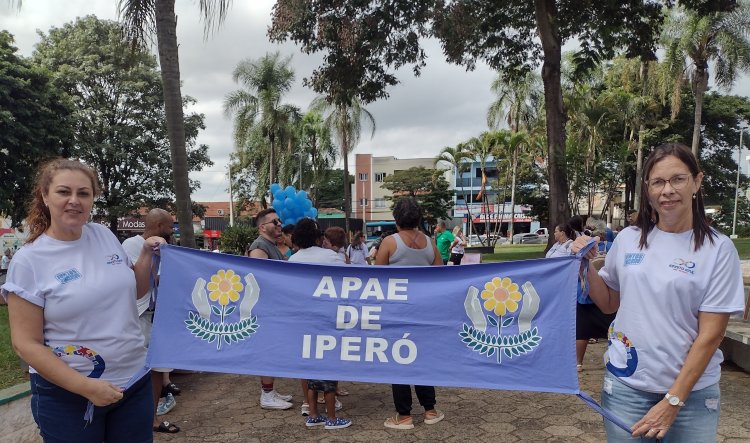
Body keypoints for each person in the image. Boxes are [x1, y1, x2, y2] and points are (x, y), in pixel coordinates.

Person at [572, 143, 744, 442]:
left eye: (678, 179)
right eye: (658, 182)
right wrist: (586, 265)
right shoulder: (628, 239)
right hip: (627, 388)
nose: (668, 190)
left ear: (697, 182)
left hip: (692, 395)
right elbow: (609, 302)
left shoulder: (718, 249)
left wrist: (673, 401)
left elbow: (711, 335)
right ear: (648, 189)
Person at [1, 158, 166, 442]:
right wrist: (87, 387)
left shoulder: (103, 235)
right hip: (68, 397)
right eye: (64, 192)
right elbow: (25, 343)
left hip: (133, 382)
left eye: (83, 193)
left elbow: (134, 291)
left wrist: (148, 255)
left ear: (92, 199)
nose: (74, 201)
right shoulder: (30, 260)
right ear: (45, 195)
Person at [376, 197, 444, 430]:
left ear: (396, 219)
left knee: (399, 360)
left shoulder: (389, 243)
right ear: (418, 218)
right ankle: (430, 410)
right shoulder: (429, 242)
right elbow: (441, 275)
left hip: (396, 312)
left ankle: (404, 415)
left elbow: (377, 280)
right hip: (423, 312)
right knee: (422, 358)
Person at [121, 209, 180, 434]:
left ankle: (153, 419)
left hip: (161, 316)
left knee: (158, 368)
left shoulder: (167, 248)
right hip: (139, 316)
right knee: (139, 369)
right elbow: (138, 280)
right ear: (157, 226)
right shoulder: (131, 245)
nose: (172, 230)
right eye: (169, 226)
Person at [286, 218, 350, 429]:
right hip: (329, 320)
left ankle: (312, 412)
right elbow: (346, 288)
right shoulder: (332, 258)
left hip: (302, 321)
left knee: (307, 365)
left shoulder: (292, 261)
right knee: (329, 366)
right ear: (319, 237)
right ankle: (331, 417)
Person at [246, 208, 293, 410]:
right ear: (262, 227)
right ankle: (266, 394)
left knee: (273, 351)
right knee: (267, 351)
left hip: (274, 309)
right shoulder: (259, 247)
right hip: (266, 310)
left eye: (280, 221)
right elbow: (258, 280)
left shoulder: (271, 246)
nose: (279, 224)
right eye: (275, 222)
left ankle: (270, 390)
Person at [576, 216, 616, 370]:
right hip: (609, 292)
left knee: (582, 330)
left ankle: (578, 362)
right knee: (613, 330)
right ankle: (613, 359)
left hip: (585, 293)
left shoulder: (584, 247)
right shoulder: (613, 246)